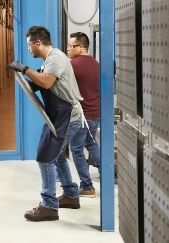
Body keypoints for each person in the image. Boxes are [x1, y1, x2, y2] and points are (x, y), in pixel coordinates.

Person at [7, 26, 87, 221]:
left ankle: (49, 206)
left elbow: (47, 82)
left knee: (46, 156)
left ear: (37, 43)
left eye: (29, 45)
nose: (28, 49)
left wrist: (25, 69)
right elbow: (46, 84)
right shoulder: (48, 60)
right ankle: (70, 195)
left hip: (68, 115)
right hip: (60, 115)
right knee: (57, 155)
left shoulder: (56, 58)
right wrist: (26, 79)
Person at [67, 32, 101, 198]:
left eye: (71, 46)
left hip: (81, 116)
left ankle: (87, 187)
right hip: (95, 113)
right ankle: (110, 175)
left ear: (80, 48)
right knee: (92, 144)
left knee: (77, 150)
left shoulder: (73, 65)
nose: (68, 49)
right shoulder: (96, 64)